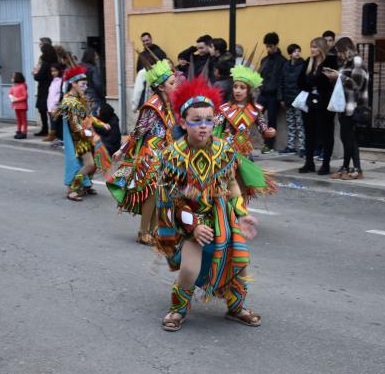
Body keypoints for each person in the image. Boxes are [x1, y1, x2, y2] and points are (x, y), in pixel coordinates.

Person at [156, 75, 260, 332]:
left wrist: (242, 213)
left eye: (209, 120)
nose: (204, 126)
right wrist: (192, 227)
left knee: (239, 263)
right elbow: (169, 197)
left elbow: (232, 185)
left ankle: (236, 307)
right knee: (190, 270)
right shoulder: (173, 155)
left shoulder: (224, 150)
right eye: (196, 120)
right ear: (183, 121)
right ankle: (178, 309)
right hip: (190, 218)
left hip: (222, 216)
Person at [106, 59, 177, 245]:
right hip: (151, 154)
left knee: (161, 194)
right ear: (161, 87)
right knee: (152, 193)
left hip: (164, 154)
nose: (175, 85)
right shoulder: (153, 106)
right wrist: (122, 150)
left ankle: (154, 231)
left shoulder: (168, 104)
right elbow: (139, 131)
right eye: (172, 83)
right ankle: (143, 231)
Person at [213, 63, 277, 200]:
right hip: (227, 152)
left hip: (245, 152)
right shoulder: (224, 109)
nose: (238, 90)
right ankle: (227, 209)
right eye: (235, 87)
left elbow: (263, 129)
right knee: (227, 182)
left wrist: (270, 132)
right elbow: (214, 125)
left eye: (242, 87)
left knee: (242, 183)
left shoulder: (256, 110)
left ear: (249, 91)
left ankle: (239, 210)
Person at [59, 65, 111, 201]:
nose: (85, 86)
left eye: (86, 84)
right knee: (89, 164)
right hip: (78, 139)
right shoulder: (69, 101)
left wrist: (101, 124)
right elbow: (75, 126)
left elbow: (89, 117)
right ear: (73, 83)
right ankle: (72, 188)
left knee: (95, 164)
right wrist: (88, 134)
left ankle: (86, 186)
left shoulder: (80, 98)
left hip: (87, 136)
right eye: (82, 84)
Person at [323, 38, 369, 180]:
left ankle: (356, 169)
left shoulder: (357, 61)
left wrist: (339, 76)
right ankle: (347, 168)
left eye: (340, 51)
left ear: (346, 49)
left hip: (353, 106)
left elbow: (357, 85)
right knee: (346, 137)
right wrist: (333, 77)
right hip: (344, 106)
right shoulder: (345, 63)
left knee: (349, 137)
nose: (338, 55)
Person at [297, 37, 339, 175]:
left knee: (326, 133)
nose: (312, 49)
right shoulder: (308, 62)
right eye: (311, 46)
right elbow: (300, 81)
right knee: (309, 132)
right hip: (310, 102)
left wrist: (313, 80)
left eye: (315, 47)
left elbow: (326, 83)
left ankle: (325, 164)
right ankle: (309, 162)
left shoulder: (330, 61)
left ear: (321, 48)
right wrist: (313, 80)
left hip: (325, 102)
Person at [258, 32, 286, 154]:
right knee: (254, 116)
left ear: (275, 45)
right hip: (263, 93)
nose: (269, 49)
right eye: (267, 46)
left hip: (274, 95)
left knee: (272, 121)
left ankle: (269, 145)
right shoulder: (264, 60)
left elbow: (281, 80)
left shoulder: (282, 61)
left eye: (271, 46)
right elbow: (259, 76)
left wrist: (280, 98)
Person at [278, 43, 306, 156]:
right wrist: (281, 98)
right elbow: (281, 82)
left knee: (300, 123)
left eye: (299, 51)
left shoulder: (303, 65)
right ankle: (291, 146)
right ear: (290, 53)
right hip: (288, 99)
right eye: (295, 51)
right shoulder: (286, 65)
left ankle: (302, 147)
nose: (297, 53)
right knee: (290, 123)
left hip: (298, 99)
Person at [33, 43, 57, 136]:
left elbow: (39, 77)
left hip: (44, 89)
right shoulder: (54, 62)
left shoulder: (45, 63)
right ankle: (53, 130)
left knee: (43, 109)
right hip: (52, 88)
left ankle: (45, 129)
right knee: (51, 110)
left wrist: (35, 73)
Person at [81, 48, 104, 116]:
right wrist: (102, 95)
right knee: (94, 119)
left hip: (82, 95)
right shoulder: (92, 68)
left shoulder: (80, 67)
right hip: (93, 96)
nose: (97, 57)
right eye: (95, 56)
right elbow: (97, 84)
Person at [45, 63, 63, 142]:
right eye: (52, 71)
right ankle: (53, 136)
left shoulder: (60, 81)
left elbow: (59, 95)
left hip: (55, 106)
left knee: (57, 123)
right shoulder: (53, 81)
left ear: (59, 71)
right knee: (52, 122)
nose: (53, 73)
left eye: (55, 71)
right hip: (50, 105)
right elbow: (51, 94)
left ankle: (57, 137)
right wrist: (49, 106)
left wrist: (55, 106)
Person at [9, 72, 28, 139]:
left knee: (23, 120)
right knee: (18, 119)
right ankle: (19, 130)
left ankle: (24, 132)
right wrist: (11, 97)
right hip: (16, 106)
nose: (11, 79)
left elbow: (25, 96)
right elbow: (10, 93)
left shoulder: (22, 86)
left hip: (22, 106)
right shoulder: (13, 86)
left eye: (13, 77)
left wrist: (16, 99)